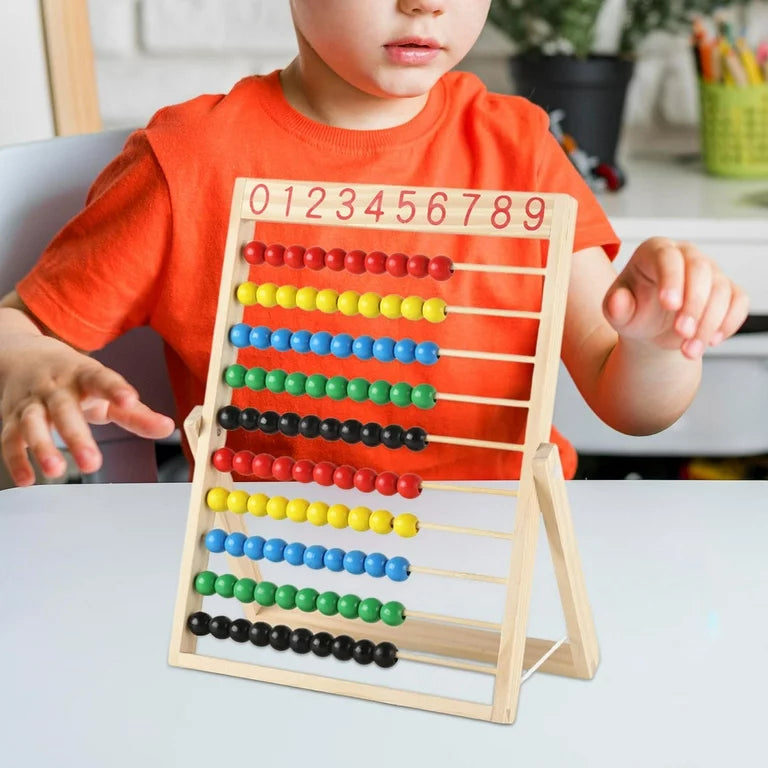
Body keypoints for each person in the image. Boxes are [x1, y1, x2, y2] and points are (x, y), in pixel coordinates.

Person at [0, 0, 748, 488]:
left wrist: (657, 342)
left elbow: (630, 404)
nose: (425, 2)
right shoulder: (188, 162)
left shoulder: (519, 150)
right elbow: (16, 325)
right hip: (273, 571)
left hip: (501, 557)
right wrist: (29, 359)